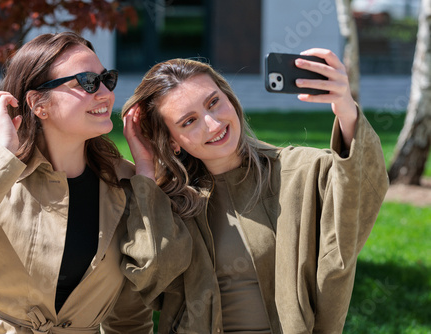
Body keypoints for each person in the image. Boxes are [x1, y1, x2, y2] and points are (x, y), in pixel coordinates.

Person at [0, 31, 191, 333]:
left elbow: (132, 309)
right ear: (38, 103)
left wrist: (146, 176)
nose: (105, 93)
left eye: (107, 80)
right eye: (87, 83)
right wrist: (2, 152)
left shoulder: (124, 184)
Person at [121, 48, 389, 333]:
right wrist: (147, 173)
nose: (213, 124)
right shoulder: (168, 203)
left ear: (230, 99)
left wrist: (345, 109)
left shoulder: (299, 172)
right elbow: (150, 275)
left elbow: (361, 196)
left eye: (214, 103)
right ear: (172, 141)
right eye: (189, 121)